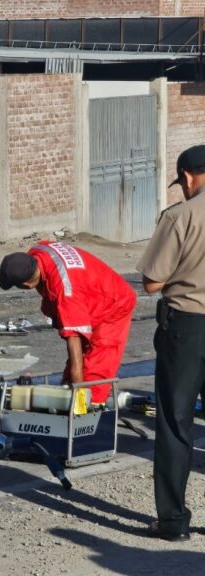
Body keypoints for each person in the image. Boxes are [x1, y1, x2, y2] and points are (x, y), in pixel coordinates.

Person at [137, 144, 205, 542]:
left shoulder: (180, 216)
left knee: (176, 423)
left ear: (187, 177)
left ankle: (173, 522)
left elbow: (152, 282)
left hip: (188, 329)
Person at [0, 241, 136, 405]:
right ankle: (68, 404)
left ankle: (89, 413)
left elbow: (75, 349)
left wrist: (81, 399)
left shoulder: (66, 292)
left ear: (27, 284)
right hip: (91, 295)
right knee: (72, 378)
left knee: (95, 373)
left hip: (113, 306)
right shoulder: (38, 252)